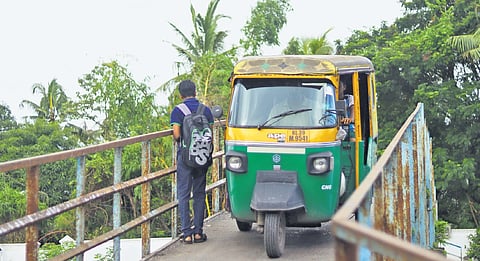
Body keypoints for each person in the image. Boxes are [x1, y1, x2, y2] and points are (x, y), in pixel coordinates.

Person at [170, 80, 214, 244]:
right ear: (195, 92)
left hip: (185, 158)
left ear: (181, 95)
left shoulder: (177, 111)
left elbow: (176, 135)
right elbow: (209, 132)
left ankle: (187, 234)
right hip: (202, 156)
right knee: (199, 194)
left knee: (183, 194)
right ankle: (198, 232)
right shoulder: (206, 110)